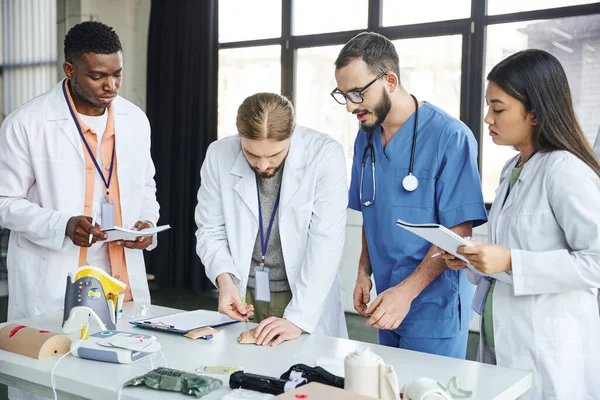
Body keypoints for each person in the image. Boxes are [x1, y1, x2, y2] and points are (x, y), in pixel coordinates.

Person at [442, 49, 600, 399]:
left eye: (498, 109)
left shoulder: (565, 170)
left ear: (535, 113)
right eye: (488, 107)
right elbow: (515, 247)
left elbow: (596, 261)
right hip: (501, 336)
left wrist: (512, 260)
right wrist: (472, 258)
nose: (487, 118)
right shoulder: (514, 167)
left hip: (547, 347)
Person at [333, 32, 487, 358]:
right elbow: (372, 210)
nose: (350, 106)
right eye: (343, 95)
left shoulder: (450, 136)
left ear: (390, 80)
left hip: (432, 303)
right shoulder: (366, 138)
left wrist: (407, 292)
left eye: (358, 93)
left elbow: (458, 232)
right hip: (386, 299)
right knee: (390, 389)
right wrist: (363, 271)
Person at [0, 21, 160, 323]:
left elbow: (146, 184)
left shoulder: (135, 119)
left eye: (117, 74)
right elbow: (4, 201)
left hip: (121, 280)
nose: (110, 86)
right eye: (98, 76)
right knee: (56, 362)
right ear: (69, 70)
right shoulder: (27, 123)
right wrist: (62, 225)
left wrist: (147, 223)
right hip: (56, 282)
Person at [195, 92, 348, 347]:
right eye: (252, 154)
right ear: (239, 135)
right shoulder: (218, 154)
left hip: (304, 291)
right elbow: (210, 229)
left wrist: (299, 318)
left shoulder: (324, 155)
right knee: (243, 372)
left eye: (275, 154)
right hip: (245, 293)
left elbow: (326, 242)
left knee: (304, 374)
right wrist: (225, 280)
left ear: (293, 133)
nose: (263, 165)